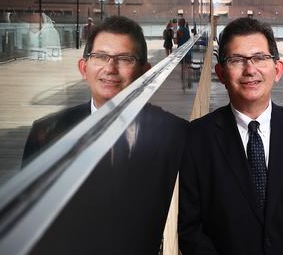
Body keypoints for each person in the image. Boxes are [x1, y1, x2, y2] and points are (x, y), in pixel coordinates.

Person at [179, 17, 283, 255]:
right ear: (221, 73)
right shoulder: (196, 139)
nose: (250, 70)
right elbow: (190, 229)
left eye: (260, 58)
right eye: (237, 60)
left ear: (278, 70)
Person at [22, 16, 186, 254]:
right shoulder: (46, 133)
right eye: (100, 57)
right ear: (83, 68)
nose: (110, 69)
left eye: (125, 59)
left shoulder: (177, 134)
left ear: (146, 73)